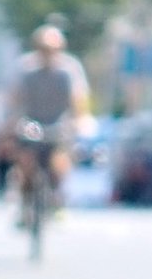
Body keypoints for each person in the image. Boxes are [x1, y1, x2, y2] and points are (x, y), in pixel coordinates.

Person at [5, 23, 91, 209]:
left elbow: (78, 98)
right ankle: (25, 201)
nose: (48, 53)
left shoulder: (70, 69)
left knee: (59, 162)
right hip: (31, 124)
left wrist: (81, 120)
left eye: (53, 49)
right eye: (44, 49)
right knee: (25, 161)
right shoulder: (25, 67)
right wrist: (11, 122)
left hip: (58, 124)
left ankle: (57, 198)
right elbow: (14, 98)